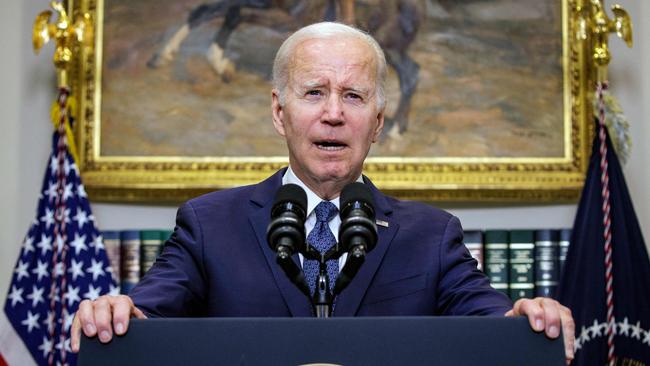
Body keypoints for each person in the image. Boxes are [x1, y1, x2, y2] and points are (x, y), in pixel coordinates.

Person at [71, 22, 575, 363]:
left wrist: (524, 318)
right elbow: (146, 316)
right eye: (314, 92)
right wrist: (117, 313)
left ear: (376, 124)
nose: (333, 113)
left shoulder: (431, 235)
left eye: (353, 96)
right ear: (278, 112)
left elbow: (491, 321)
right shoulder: (209, 224)